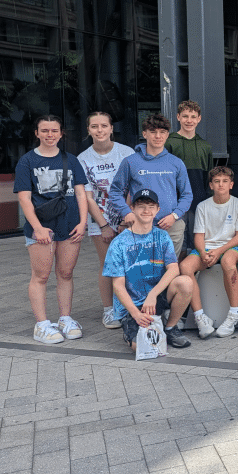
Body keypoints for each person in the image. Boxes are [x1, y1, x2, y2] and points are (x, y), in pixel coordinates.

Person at [14, 115, 89, 344]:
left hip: (70, 225)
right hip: (42, 228)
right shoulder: (27, 162)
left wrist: (83, 222)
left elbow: (80, 193)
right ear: (36, 133)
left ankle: (65, 318)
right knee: (41, 275)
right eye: (44, 130)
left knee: (65, 273)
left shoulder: (71, 160)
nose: (50, 135)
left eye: (54, 130)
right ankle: (42, 324)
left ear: (61, 133)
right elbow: (24, 198)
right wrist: (37, 228)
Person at [102, 188, 193, 350]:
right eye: (141, 206)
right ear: (132, 208)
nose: (146, 210)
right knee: (143, 348)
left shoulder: (162, 236)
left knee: (185, 282)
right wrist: (136, 314)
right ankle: (133, 328)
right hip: (133, 304)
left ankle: (170, 328)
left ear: (158, 209)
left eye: (151, 206)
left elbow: (173, 269)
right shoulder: (119, 243)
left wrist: (153, 294)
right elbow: (118, 286)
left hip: (156, 297)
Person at [77, 111, 134, 330]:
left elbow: (132, 188)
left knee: (129, 265)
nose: (99, 130)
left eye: (104, 126)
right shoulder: (83, 159)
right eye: (94, 126)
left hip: (127, 217)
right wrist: (104, 225)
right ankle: (109, 311)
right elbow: (87, 196)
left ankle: (129, 307)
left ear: (111, 128)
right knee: (108, 265)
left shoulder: (126, 153)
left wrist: (123, 221)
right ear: (88, 130)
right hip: (100, 219)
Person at [178, 166, 238, 340]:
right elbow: (199, 236)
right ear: (211, 185)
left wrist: (219, 251)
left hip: (230, 246)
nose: (221, 185)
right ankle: (200, 317)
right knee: (185, 266)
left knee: (228, 262)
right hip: (207, 247)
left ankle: (233, 313)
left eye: (225, 181)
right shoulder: (203, 206)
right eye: (217, 181)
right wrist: (202, 252)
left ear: (231, 184)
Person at [108, 113, 192, 257]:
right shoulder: (130, 161)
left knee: (168, 270)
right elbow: (115, 192)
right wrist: (126, 212)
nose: (158, 136)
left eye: (162, 132)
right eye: (153, 132)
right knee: (142, 270)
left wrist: (174, 215)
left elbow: (187, 195)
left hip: (171, 225)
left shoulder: (176, 163)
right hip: (140, 225)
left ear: (167, 135)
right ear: (144, 134)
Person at [166, 100, 214, 251]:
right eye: (185, 116)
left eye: (193, 117)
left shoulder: (204, 146)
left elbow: (209, 176)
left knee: (196, 240)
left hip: (198, 200)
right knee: (177, 242)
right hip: (174, 202)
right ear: (178, 117)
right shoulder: (169, 143)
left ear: (199, 119)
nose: (189, 120)